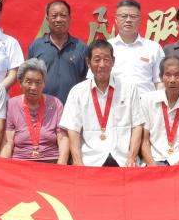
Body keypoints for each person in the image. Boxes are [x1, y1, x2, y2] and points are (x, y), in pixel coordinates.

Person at [60, 39, 144, 167]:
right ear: (88, 62)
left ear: (113, 61)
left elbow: (137, 126)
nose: (102, 64)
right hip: (91, 161)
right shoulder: (77, 92)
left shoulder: (129, 89)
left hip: (123, 160)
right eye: (97, 59)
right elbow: (73, 130)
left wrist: (132, 158)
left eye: (106, 59)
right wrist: (78, 162)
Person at [0, 58, 69, 163]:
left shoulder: (56, 104)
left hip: (50, 161)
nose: (33, 87)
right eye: (29, 82)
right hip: (20, 161)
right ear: (20, 83)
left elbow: (62, 138)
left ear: (44, 84)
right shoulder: (11, 105)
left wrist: (61, 166)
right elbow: (7, 141)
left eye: (38, 82)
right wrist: (3, 166)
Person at [140, 56, 179, 166]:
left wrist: (176, 169)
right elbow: (144, 141)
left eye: (177, 75)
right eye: (168, 75)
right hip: (154, 160)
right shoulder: (147, 100)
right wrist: (153, 167)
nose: (172, 80)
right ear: (161, 77)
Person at [26, 0, 88, 104]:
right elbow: (29, 79)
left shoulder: (81, 48)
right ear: (47, 19)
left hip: (73, 107)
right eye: (54, 16)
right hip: (42, 107)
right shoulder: (36, 46)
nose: (58, 19)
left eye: (63, 15)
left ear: (69, 18)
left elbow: (86, 81)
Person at [108, 0, 163, 93]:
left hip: (145, 101)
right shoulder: (107, 47)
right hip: (114, 101)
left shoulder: (153, 48)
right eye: (124, 16)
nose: (128, 20)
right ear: (116, 20)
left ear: (140, 20)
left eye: (133, 16)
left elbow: (159, 82)